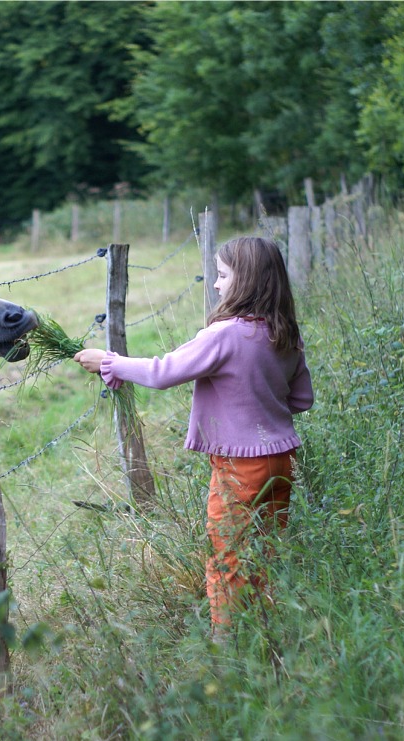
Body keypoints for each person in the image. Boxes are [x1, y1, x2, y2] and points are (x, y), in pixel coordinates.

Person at [73, 236, 314, 640]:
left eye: (223, 276)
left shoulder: (224, 335)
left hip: (239, 466)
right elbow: (302, 399)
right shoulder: (284, 333)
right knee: (266, 549)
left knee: (228, 555)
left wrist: (108, 362)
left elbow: (163, 372)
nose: (217, 285)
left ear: (248, 281)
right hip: (281, 458)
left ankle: (227, 644)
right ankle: (265, 625)